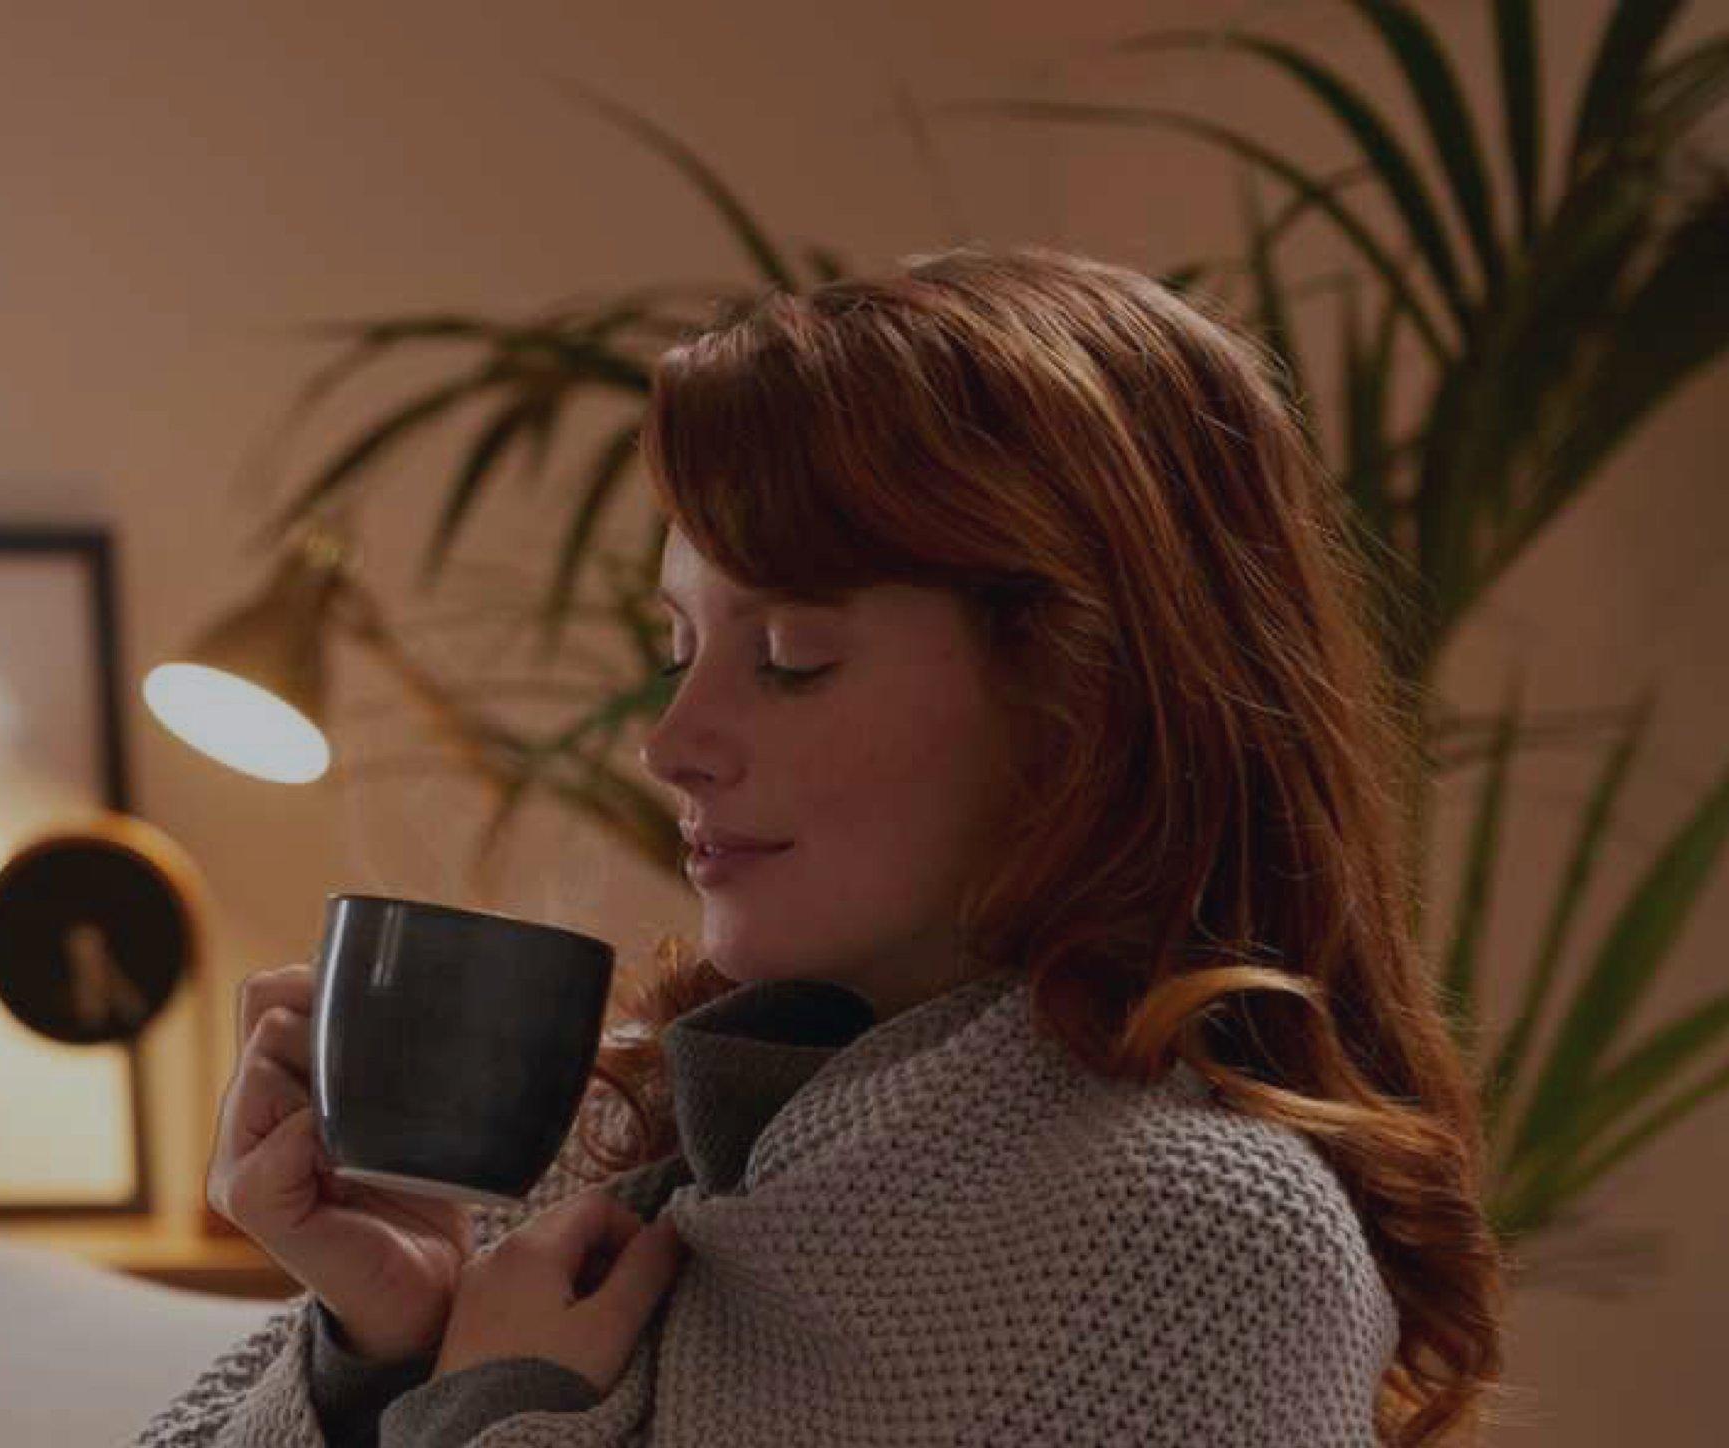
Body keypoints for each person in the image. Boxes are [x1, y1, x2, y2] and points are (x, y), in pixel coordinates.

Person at [135, 244, 1507, 1448]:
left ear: (1079, 692)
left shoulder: (1198, 1249)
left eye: (789, 655)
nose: (670, 743)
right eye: (675, 647)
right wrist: (380, 1346)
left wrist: (494, 1413)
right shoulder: (603, 1144)